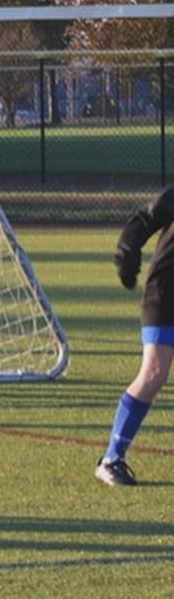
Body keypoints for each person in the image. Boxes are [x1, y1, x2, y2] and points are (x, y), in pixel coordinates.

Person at [96, 185, 174, 485]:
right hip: (165, 293)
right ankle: (111, 459)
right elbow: (146, 218)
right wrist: (127, 252)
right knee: (154, 373)